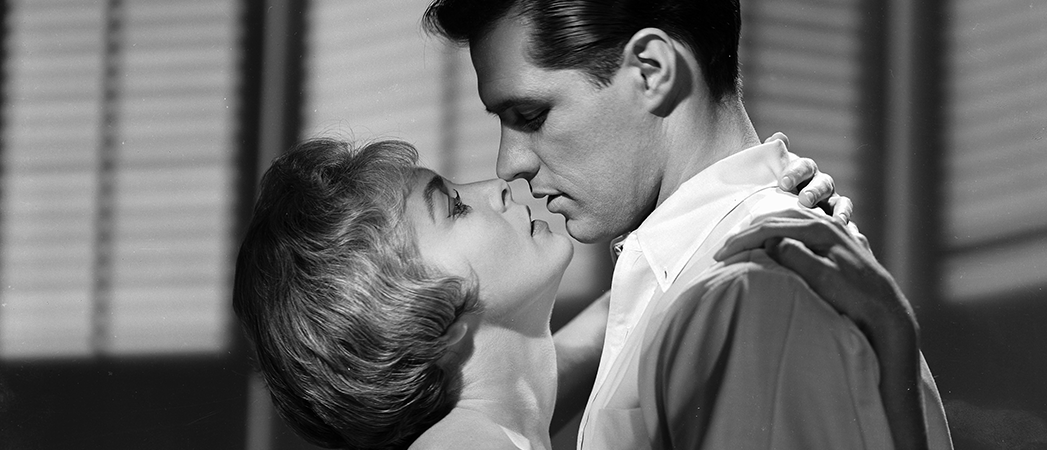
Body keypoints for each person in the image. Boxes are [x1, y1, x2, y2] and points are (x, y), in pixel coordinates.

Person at [421, 0, 953, 449]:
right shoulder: (706, 281)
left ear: (651, 71)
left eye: (531, 116)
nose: (508, 164)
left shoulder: (755, 290)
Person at [232, 137, 835, 449]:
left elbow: (627, 316)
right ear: (417, 318)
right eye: (455, 206)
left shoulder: (499, 416)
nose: (497, 184)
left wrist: (752, 218)